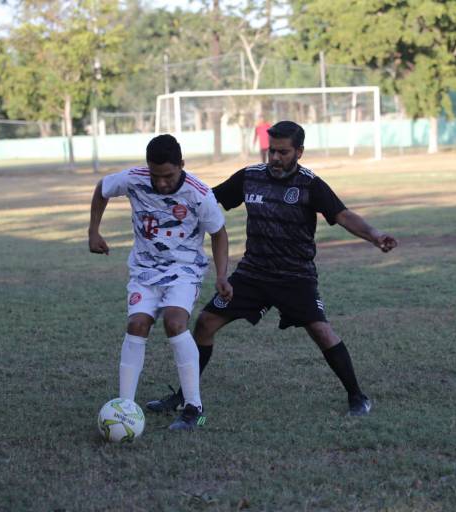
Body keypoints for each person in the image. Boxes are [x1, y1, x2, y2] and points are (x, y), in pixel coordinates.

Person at [146, 121, 398, 417]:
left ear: (299, 152)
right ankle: (184, 396)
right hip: (253, 274)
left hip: (295, 276)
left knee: (321, 330)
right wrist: (168, 202)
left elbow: (342, 215)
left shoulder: (309, 184)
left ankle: (357, 397)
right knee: (205, 323)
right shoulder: (250, 177)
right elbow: (207, 201)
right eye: (271, 151)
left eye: (283, 152)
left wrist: (375, 235)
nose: (275, 158)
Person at [88, 134, 232, 431]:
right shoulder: (134, 179)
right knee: (137, 325)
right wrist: (93, 231)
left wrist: (221, 274)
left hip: (184, 270)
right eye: (156, 175)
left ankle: (194, 407)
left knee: (175, 323)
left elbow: (219, 233)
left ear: (181, 165)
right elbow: (102, 189)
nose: (162, 183)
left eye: (168, 175)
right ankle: (125, 405)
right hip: (144, 271)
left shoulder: (199, 194)